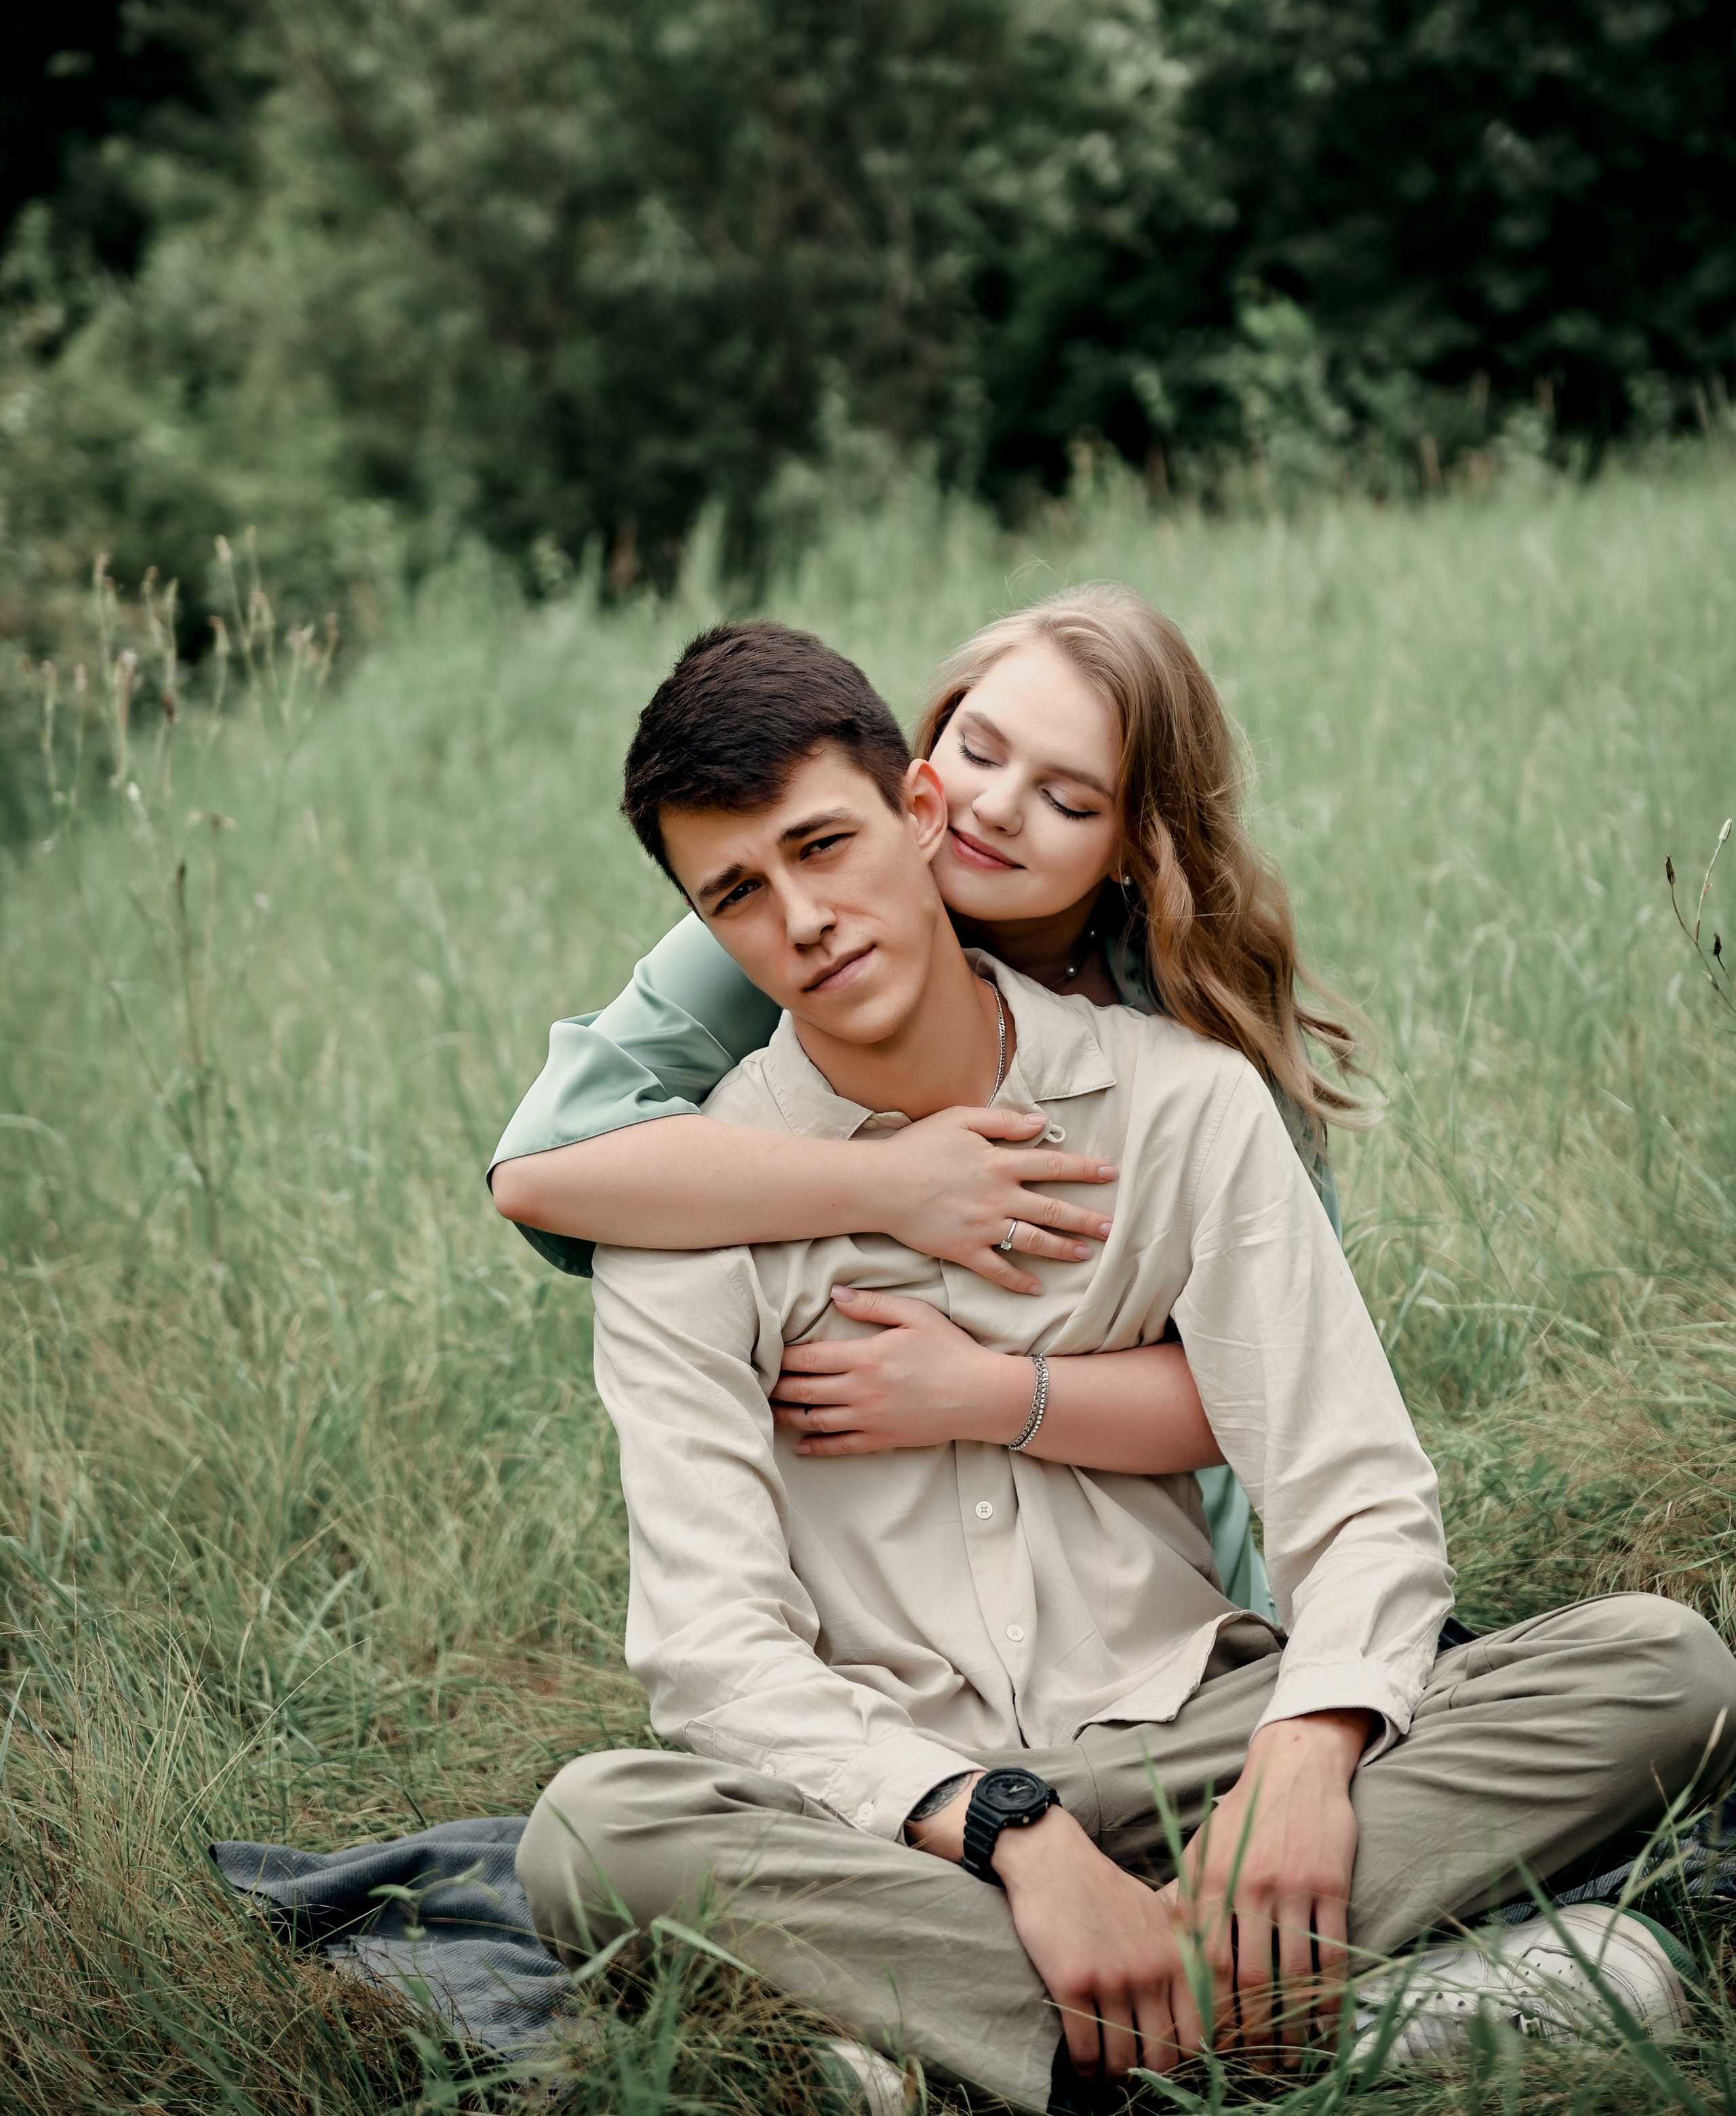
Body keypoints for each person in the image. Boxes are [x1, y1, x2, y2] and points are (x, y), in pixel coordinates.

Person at [512, 623, 1736, 2112]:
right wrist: (1004, 1831)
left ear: (914, 817)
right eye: (739, 895)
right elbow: (713, 1652)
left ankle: (974, 2051)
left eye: (824, 846)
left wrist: (1301, 1755)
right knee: (593, 1833)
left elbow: (1347, 1493)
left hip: (1194, 1732)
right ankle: (1320, 2014)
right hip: (902, 1798)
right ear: (708, 926)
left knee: (1661, 1667)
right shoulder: (680, 1211)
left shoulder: (1186, 1106)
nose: (805, 918)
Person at [492, 585, 1370, 1620]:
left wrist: (994, 1395)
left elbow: (1281, 1376)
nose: (995, 808)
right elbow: (542, 1167)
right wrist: (892, 1183)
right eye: (980, 750)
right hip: (901, 1611)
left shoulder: (1188, 1027)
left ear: (1138, 839)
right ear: (923, 764)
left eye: (1069, 799)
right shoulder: (805, 909)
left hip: (1158, 1584)